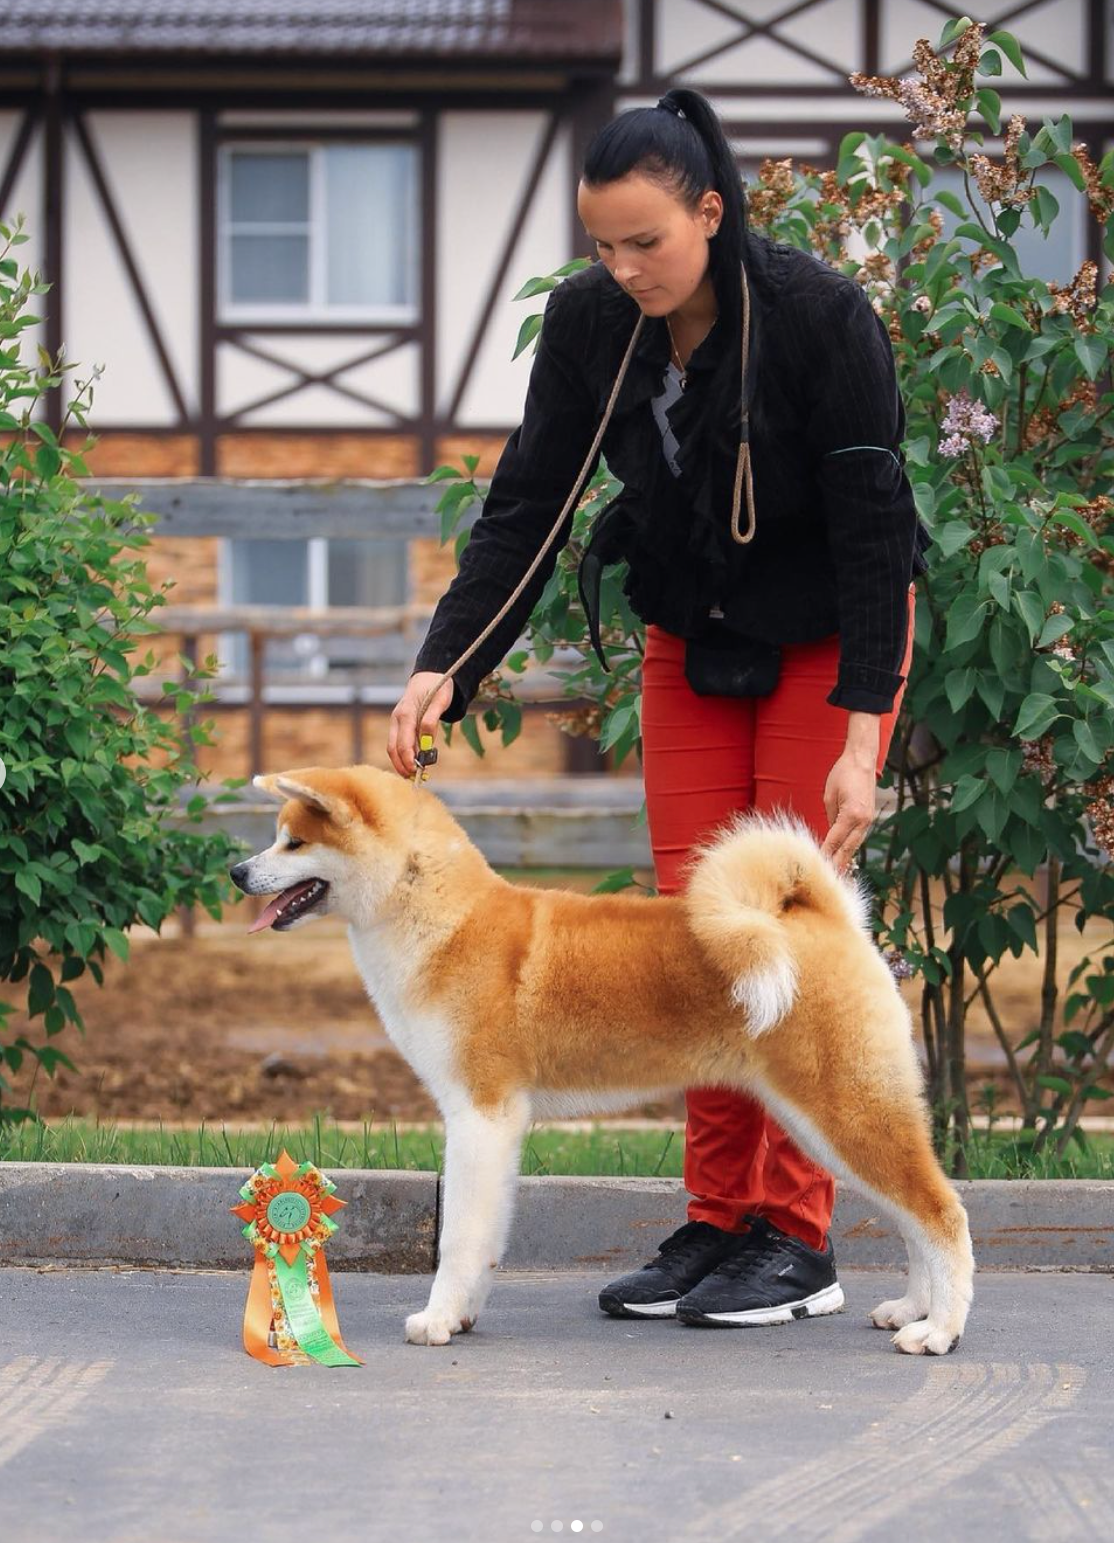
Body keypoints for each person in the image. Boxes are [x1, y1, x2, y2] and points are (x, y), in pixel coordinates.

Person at [388, 86, 929, 1329]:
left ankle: (796, 1238)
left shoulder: (819, 319)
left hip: (820, 651)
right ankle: (717, 1216)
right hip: (690, 642)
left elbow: (873, 538)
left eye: (648, 242)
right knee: (700, 934)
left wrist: (863, 744)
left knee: (782, 944)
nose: (624, 269)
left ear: (709, 213)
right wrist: (447, 664)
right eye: (601, 246)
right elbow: (528, 503)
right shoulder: (591, 325)